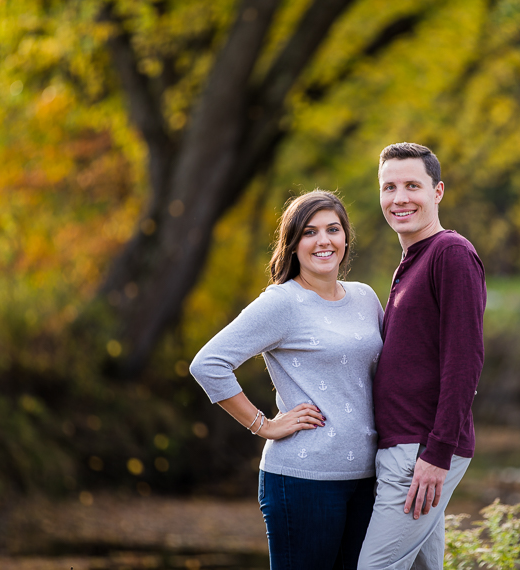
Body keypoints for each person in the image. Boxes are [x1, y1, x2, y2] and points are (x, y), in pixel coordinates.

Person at [190, 190, 384, 570]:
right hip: (303, 480)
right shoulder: (282, 302)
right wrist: (264, 425)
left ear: (346, 237)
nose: (323, 240)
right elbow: (208, 364)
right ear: (293, 244)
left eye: (333, 229)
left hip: (368, 477)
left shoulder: (365, 298)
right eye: (310, 232)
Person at [358, 143, 486, 569]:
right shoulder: (412, 260)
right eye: (388, 187)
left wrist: (437, 454)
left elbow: (464, 361)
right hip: (404, 446)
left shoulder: (451, 254)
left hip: (420, 450)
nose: (399, 198)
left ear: (438, 191)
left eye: (413, 185)